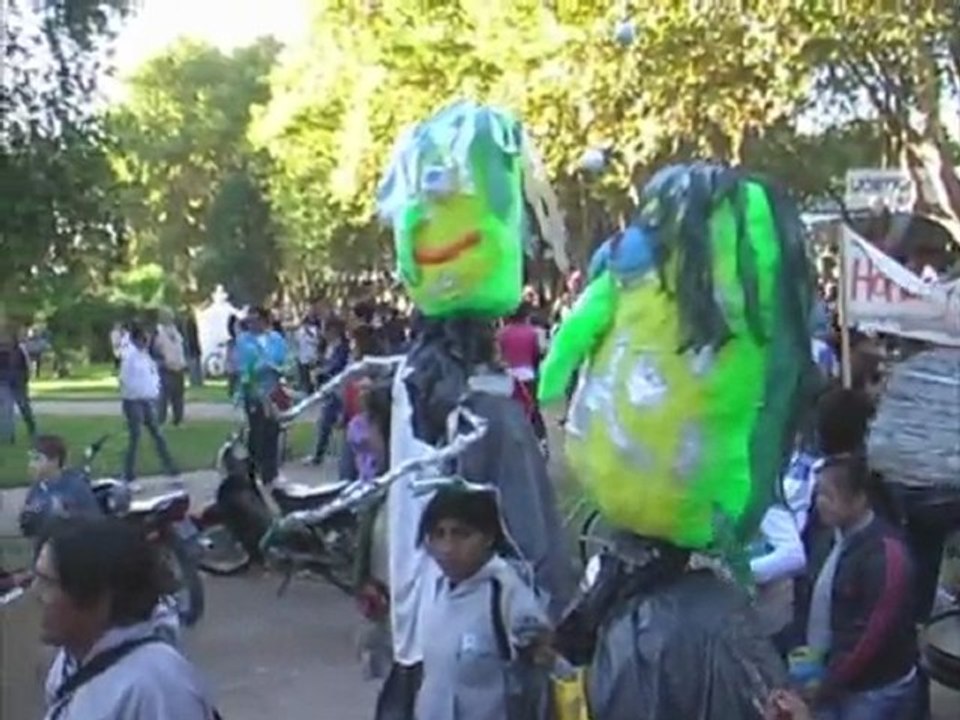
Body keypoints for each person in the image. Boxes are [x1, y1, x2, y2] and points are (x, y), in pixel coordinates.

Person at [37, 517, 219, 719]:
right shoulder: (68, 662)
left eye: (48, 583)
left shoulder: (156, 686)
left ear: (99, 597)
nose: (36, 595)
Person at [415, 485, 552, 720]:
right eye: (439, 534)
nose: (447, 548)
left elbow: (545, 667)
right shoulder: (436, 587)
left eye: (461, 534)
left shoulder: (507, 594)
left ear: (488, 537)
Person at [806, 453, 917, 720]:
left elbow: (868, 638)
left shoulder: (885, 555)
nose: (820, 503)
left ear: (859, 498)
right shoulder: (826, 536)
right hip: (828, 674)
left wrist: (826, 685)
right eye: (818, 493)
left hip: (872, 686)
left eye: (829, 496)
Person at [119, 326, 179, 485]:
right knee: (135, 436)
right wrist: (136, 392)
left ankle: (170, 466)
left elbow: (152, 374)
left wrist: (154, 391)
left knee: (157, 434)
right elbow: (125, 379)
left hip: (148, 399)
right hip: (134, 401)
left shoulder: (145, 356)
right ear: (136, 339)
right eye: (143, 339)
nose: (147, 342)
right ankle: (128, 472)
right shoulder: (129, 357)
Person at [236, 307, 288, 487]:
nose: (252, 323)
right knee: (256, 432)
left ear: (265, 320)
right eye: (249, 320)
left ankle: (271, 472)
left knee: (272, 430)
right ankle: (253, 471)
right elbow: (244, 366)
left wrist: (276, 367)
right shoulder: (244, 340)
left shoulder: (276, 339)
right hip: (254, 391)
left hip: (273, 390)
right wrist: (260, 368)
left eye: (256, 319)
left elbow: (283, 360)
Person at [19, 435, 101, 542]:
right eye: (31, 459)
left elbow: (95, 523)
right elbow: (28, 528)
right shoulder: (37, 488)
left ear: (55, 461)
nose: (31, 464)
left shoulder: (76, 487)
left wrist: (66, 516)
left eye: (37, 459)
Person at [497, 304, 547, 444]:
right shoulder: (532, 333)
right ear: (526, 316)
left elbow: (498, 356)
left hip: (508, 378)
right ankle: (540, 439)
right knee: (533, 408)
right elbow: (538, 354)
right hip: (528, 375)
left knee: (510, 410)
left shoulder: (502, 333)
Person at [310, 317, 349, 465]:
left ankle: (321, 455)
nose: (324, 333)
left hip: (338, 388)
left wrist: (322, 371)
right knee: (325, 421)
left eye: (326, 329)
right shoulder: (328, 347)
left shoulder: (342, 347)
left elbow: (337, 366)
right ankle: (319, 454)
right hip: (329, 388)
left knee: (330, 420)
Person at [152, 308, 188, 426]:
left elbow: (180, 347)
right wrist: (162, 361)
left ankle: (178, 419)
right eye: (167, 316)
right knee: (163, 396)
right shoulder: (158, 332)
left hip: (179, 367)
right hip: (166, 368)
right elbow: (154, 351)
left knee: (178, 396)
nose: (170, 319)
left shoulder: (176, 331)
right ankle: (159, 419)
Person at [295, 315, 321, 393]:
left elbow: (317, 342)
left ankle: (317, 389)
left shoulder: (314, 330)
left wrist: (309, 333)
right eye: (304, 323)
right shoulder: (299, 332)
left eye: (307, 323)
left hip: (313, 358)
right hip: (304, 360)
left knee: (315, 378)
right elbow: (298, 344)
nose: (306, 325)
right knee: (307, 380)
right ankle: (309, 391)